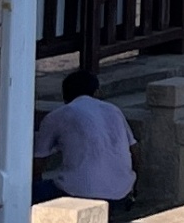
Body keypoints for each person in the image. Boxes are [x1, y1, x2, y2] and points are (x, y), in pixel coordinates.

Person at [35, 65, 135, 209]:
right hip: (121, 194)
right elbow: (135, 150)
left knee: (25, 192)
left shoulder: (57, 116)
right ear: (97, 92)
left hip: (80, 196)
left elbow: (38, 163)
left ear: (64, 96)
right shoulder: (114, 110)